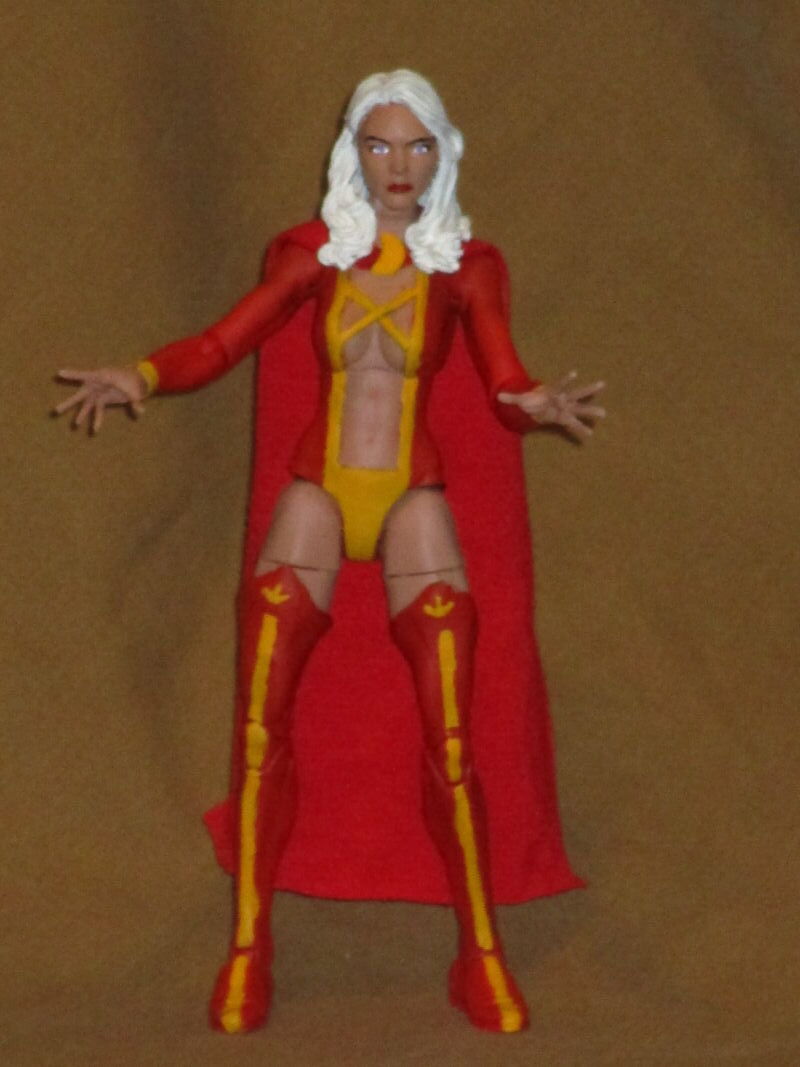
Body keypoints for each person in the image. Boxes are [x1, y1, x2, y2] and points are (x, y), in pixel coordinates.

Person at [55, 69, 604, 1035]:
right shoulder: (315, 258)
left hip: (411, 499)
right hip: (318, 495)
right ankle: (248, 942)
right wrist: (141, 374)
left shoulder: (466, 267)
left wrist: (532, 403)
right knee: (261, 725)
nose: (399, 165)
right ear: (353, 152)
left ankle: (480, 949)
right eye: (380, 144)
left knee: (452, 736)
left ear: (443, 154)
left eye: (417, 145)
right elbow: (222, 343)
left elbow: (503, 373)